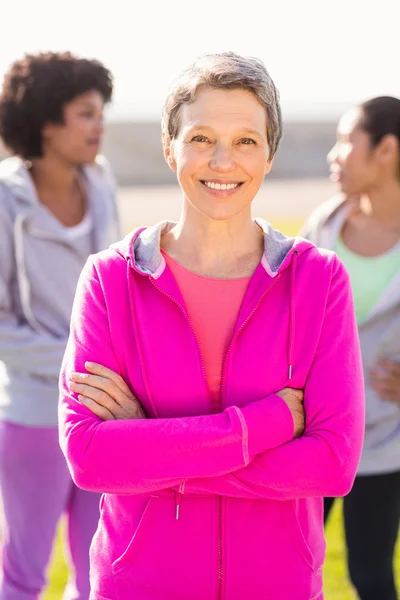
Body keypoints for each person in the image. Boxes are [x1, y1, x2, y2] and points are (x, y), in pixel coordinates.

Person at [59, 52, 364, 600]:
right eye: (201, 137)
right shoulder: (110, 280)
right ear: (169, 146)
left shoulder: (317, 280)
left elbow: (332, 464)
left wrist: (150, 441)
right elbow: (89, 455)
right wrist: (263, 426)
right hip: (139, 588)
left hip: (279, 588)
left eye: (246, 141)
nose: (223, 161)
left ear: (269, 153)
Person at [0, 52, 120, 600]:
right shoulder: (5, 201)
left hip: (104, 413)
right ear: (48, 122)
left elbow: (117, 289)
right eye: (86, 114)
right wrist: (82, 365)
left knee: (98, 566)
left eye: (101, 113)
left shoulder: (102, 184)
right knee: (24, 570)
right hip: (31, 414)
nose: (99, 127)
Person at [302, 96, 400, 600]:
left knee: (370, 575)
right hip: (311, 437)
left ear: (386, 150)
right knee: (287, 567)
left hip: (384, 448)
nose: (335, 156)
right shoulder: (323, 227)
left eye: (347, 142)